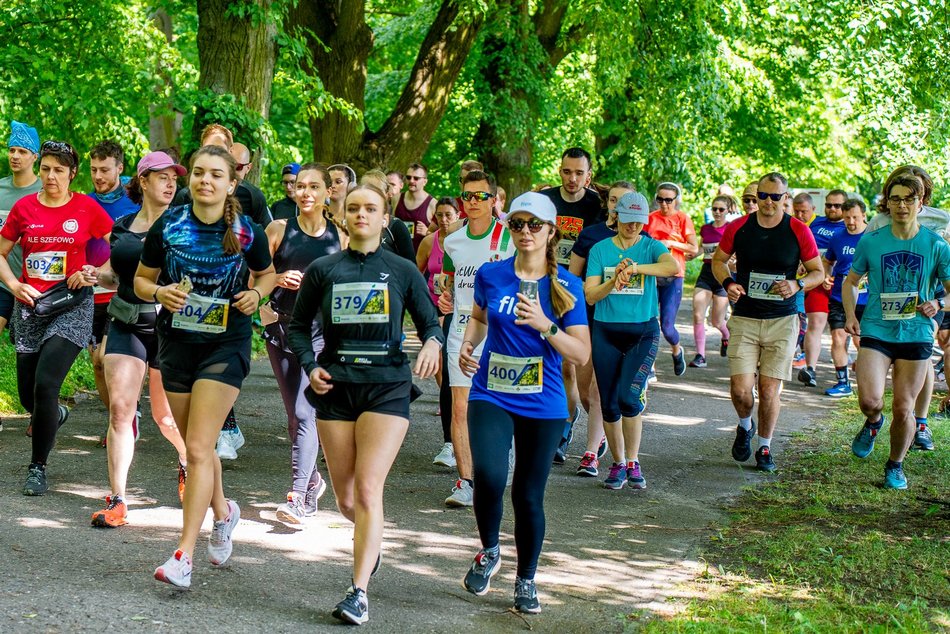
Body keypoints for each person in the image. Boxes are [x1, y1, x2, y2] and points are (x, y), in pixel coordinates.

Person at [287, 183, 442, 625]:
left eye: (370, 208)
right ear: (341, 214)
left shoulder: (401, 268)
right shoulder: (324, 269)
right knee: (347, 498)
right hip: (336, 388)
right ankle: (370, 543)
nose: (360, 215)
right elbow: (298, 328)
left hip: (386, 387)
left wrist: (431, 343)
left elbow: (431, 322)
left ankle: (358, 592)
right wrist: (309, 364)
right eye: (353, 207)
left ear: (383, 216)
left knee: (370, 489)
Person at [140, 144, 276, 588]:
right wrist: (159, 293)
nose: (205, 181)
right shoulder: (170, 225)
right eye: (198, 172)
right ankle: (224, 511)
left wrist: (257, 296)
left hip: (226, 344)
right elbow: (141, 280)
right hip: (176, 343)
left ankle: (184, 555)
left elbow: (268, 275)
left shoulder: (244, 229)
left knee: (197, 449)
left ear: (231, 183)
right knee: (198, 447)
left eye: (216, 174)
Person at [458, 191, 590, 614]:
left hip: (544, 401)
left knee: (528, 495)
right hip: (491, 391)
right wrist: (467, 343)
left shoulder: (566, 285)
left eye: (535, 225)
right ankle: (490, 550)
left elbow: (581, 354)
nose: (526, 232)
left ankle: (526, 579)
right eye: (518, 224)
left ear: (551, 232)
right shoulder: (492, 274)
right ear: (509, 228)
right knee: (491, 477)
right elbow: (479, 318)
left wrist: (546, 325)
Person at [0, 140, 113, 494]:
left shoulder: (85, 208)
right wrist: (13, 284)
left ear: (72, 174)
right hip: (31, 305)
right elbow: (1, 253)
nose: (51, 176)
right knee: (28, 395)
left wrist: (94, 270)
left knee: (47, 384)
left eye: (59, 170)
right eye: (46, 168)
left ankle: (37, 467)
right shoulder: (23, 208)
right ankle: (52, 415)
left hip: (72, 305)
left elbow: (117, 249)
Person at [89, 151, 189, 527]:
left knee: (166, 417)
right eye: (161, 177)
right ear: (143, 181)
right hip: (126, 322)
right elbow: (115, 274)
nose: (169, 184)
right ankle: (118, 499)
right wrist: (92, 274)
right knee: (120, 410)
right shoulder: (124, 225)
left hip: (169, 330)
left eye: (173, 179)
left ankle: (185, 461)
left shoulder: (182, 226)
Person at [845, 167, 950, 489]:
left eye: (909, 199)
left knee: (904, 407)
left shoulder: (936, 245)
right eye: (895, 199)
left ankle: (895, 465)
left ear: (920, 203)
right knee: (870, 400)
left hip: (916, 332)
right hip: (877, 329)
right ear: (887, 203)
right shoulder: (872, 241)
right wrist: (851, 315)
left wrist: (940, 304)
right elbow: (851, 281)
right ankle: (874, 422)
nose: (902, 205)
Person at [712, 172, 823, 472]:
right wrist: (728, 283)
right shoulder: (739, 228)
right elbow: (718, 260)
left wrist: (798, 285)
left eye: (776, 197)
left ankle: (764, 446)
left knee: (770, 389)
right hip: (746, 317)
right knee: (741, 390)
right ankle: (744, 425)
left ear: (785, 198)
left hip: (782, 320)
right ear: (757, 196)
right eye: (764, 196)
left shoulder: (798, 230)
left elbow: (817, 272)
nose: (769, 202)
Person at [263, 162, 341, 523]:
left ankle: (298, 497)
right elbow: (254, 276)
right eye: (299, 186)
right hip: (281, 330)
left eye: (314, 186)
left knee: (304, 411)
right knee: (294, 416)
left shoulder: (338, 237)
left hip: (321, 336)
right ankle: (312, 481)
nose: (305, 192)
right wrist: (277, 280)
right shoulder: (279, 230)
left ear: (328, 193)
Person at [585, 191, 678, 490]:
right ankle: (618, 463)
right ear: (617, 217)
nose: (633, 227)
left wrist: (635, 268)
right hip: (606, 331)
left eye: (639, 222)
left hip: (643, 332)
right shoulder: (600, 250)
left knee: (628, 397)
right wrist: (614, 280)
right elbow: (590, 294)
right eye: (628, 220)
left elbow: (671, 268)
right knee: (609, 405)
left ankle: (634, 460)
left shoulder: (651, 247)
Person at [439, 170, 517, 507]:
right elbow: (449, 283)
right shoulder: (452, 240)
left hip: (501, 332)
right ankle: (467, 482)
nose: (472, 202)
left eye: (480, 196)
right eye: (467, 196)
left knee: (500, 407)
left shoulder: (510, 238)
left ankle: (500, 464)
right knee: (461, 408)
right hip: (461, 330)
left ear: (494, 198)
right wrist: (445, 297)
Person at [539, 148, 604, 463]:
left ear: (588, 175)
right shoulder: (545, 201)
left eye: (579, 173)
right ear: (560, 171)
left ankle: (575, 423)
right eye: (567, 172)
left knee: (572, 366)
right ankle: (558, 425)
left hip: (579, 292)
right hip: (545, 285)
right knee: (551, 362)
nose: (572, 178)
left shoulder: (598, 206)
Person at [567, 181, 635, 476]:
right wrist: (592, 288)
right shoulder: (591, 236)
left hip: (620, 322)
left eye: (626, 203)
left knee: (597, 390)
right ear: (608, 204)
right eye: (614, 201)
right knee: (585, 391)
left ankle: (590, 453)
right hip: (588, 316)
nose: (619, 208)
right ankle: (604, 430)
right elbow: (571, 278)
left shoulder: (641, 240)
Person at [87, 140, 142, 440]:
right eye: (94, 169)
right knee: (97, 363)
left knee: (109, 356)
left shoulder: (135, 204)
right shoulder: (82, 202)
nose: (98, 175)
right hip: (90, 291)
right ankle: (118, 421)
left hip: (123, 292)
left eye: (105, 170)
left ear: (120, 169)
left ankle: (125, 419)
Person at [416, 196, 461, 466]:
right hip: (434, 310)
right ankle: (449, 437)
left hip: (460, 312)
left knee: (449, 368)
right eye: (440, 215)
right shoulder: (428, 242)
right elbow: (415, 272)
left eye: (449, 215)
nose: (444, 220)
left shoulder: (464, 242)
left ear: (457, 215)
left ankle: (456, 428)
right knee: (442, 368)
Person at [794, 190, 846, 387]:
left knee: (841, 333)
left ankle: (849, 373)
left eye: (838, 205)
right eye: (829, 205)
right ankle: (811, 369)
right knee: (815, 324)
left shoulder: (851, 227)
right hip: (817, 283)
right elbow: (805, 250)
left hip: (843, 285)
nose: (832, 209)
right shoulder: (815, 224)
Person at [646, 182, 698, 375]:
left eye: (669, 200)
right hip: (652, 273)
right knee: (648, 322)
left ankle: (677, 350)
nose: (664, 203)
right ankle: (649, 366)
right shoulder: (650, 219)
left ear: (676, 200)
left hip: (674, 275)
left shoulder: (683, 219)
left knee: (667, 327)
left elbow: (693, 247)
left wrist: (670, 243)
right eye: (660, 199)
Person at [0, 121, 43, 339]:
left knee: (25, 350)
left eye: (22, 151)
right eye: (12, 150)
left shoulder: (44, 193)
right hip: (2, 278)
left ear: (35, 157)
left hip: (32, 283)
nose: (15, 156)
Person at [822, 198, 868, 398]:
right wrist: (825, 275)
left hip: (867, 299)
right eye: (847, 217)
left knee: (862, 342)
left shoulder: (872, 237)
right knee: (838, 337)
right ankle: (842, 382)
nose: (851, 221)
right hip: (840, 296)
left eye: (855, 217)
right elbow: (827, 261)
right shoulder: (837, 238)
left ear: (864, 216)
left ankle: (867, 382)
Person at [689, 195, 732, 367]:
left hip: (722, 275)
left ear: (728, 210)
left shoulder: (731, 229)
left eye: (721, 209)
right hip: (706, 273)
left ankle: (726, 335)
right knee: (698, 314)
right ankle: (700, 356)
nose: (717, 212)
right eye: (714, 209)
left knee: (717, 321)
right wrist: (692, 255)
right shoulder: (706, 229)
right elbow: (702, 248)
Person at [394, 162, 436, 251]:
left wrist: (427, 232)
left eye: (416, 178)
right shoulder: (396, 199)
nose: (411, 181)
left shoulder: (433, 204)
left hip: (419, 258)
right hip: (397, 255)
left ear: (425, 181)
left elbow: (443, 235)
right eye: (408, 177)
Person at [327, 163, 357, 228]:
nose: (332, 186)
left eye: (338, 182)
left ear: (350, 186)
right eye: (329, 182)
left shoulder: (357, 217)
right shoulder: (317, 216)